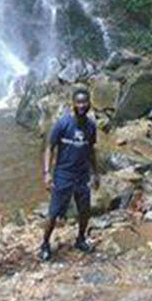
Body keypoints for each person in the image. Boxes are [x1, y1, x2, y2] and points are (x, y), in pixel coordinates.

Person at [40, 87, 100, 261]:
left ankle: (80, 239)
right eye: (79, 102)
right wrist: (46, 173)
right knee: (54, 213)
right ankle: (44, 244)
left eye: (85, 102)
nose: (82, 105)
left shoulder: (91, 126)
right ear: (73, 103)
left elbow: (91, 151)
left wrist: (96, 174)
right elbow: (49, 148)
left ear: (89, 103)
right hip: (63, 175)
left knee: (84, 211)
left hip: (82, 176)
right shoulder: (63, 123)